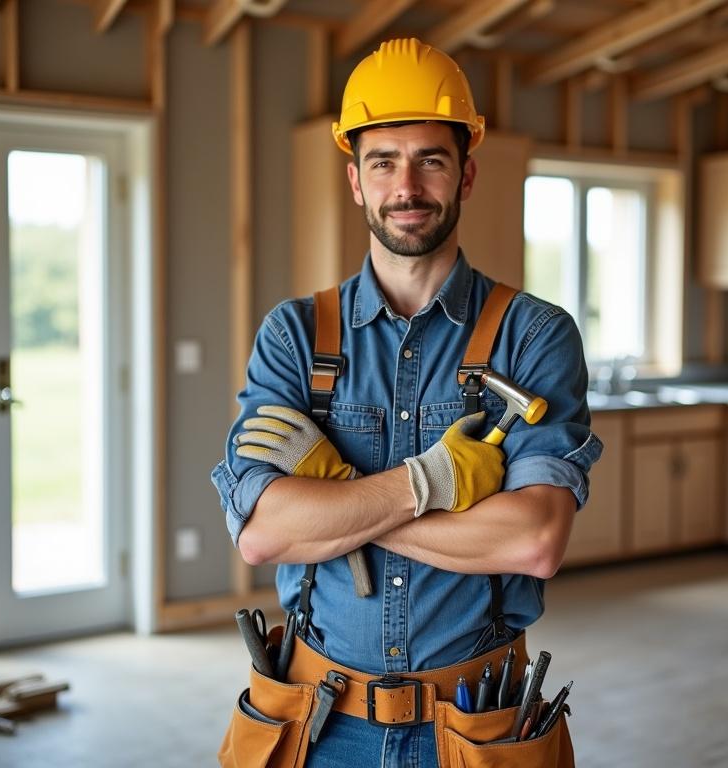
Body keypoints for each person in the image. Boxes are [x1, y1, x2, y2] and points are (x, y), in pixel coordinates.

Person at [212, 37, 602, 768]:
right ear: (355, 180)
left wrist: (338, 503)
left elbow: (533, 542)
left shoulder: (535, 336)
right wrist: (432, 486)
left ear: (466, 174)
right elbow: (263, 534)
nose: (407, 185)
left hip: (478, 725)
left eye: (431, 159)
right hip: (318, 723)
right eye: (383, 161)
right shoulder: (295, 336)